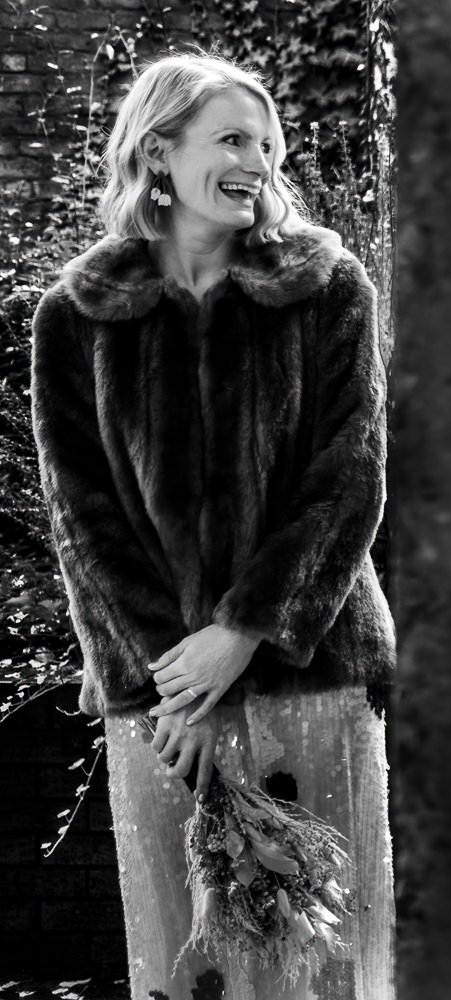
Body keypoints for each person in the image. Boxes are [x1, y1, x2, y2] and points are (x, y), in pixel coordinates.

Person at [30, 53, 395, 998]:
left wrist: (240, 632)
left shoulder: (327, 288)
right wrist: (174, 685)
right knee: (188, 965)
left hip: (309, 674)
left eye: (269, 146)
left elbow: (350, 479)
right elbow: (83, 519)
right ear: (158, 151)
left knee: (325, 960)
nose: (260, 163)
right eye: (232, 139)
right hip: (160, 707)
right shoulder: (75, 317)